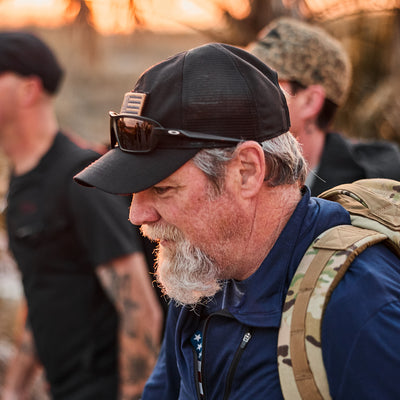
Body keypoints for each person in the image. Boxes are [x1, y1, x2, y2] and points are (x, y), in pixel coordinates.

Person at [74, 43, 400, 399]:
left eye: (163, 189)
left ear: (246, 172)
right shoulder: (199, 276)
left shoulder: (360, 308)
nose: (137, 215)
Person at [0, 31, 163, 400]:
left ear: (28, 90)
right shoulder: (23, 181)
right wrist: (13, 389)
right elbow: (43, 291)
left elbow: (140, 310)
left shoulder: (79, 177)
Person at [247, 17, 400, 196]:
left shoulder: (374, 195)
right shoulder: (233, 168)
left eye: (263, 83)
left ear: (311, 102)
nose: (246, 94)